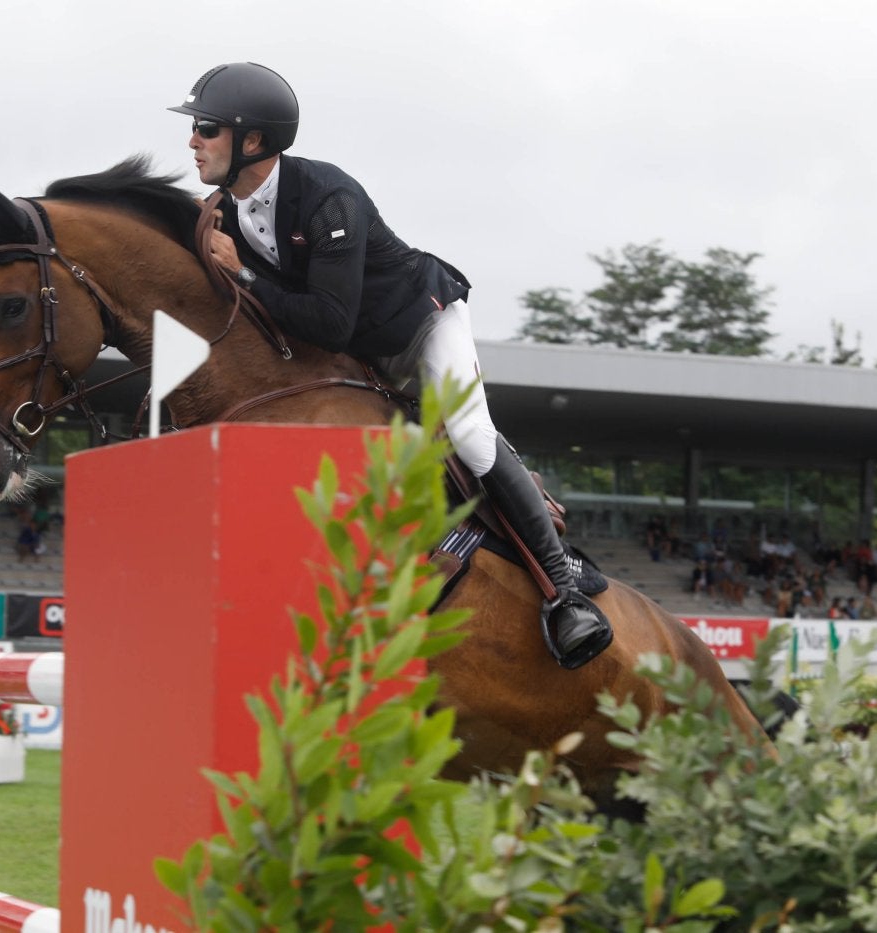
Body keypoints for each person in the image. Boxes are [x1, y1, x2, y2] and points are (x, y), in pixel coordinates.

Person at [169, 62, 610, 668]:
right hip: (357, 349)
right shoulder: (222, 211)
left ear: (252, 142)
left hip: (419, 323)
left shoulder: (330, 197)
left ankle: (564, 594)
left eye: (206, 128)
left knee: (470, 436)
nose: (192, 140)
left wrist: (240, 273)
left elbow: (328, 322)